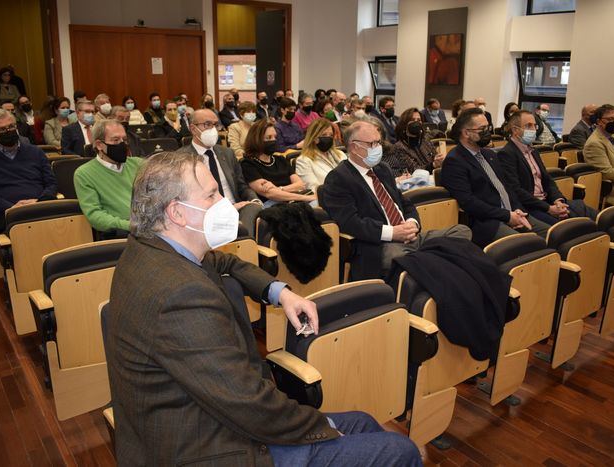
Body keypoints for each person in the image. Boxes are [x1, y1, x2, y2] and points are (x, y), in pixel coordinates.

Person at [105, 149, 422, 466]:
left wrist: (279, 292)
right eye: (211, 195)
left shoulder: (151, 249)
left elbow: (223, 261)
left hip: (204, 414)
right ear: (177, 213)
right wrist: (322, 429)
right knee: (401, 451)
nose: (226, 204)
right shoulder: (179, 294)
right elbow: (248, 404)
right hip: (205, 445)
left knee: (364, 422)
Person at [321, 120, 471, 280]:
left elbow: (405, 203)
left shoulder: (382, 169)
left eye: (379, 142)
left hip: (409, 235)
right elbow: (350, 222)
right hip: (381, 244)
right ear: (354, 147)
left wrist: (413, 223)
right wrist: (392, 233)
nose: (378, 148)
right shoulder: (339, 178)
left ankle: (434, 267)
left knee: (462, 231)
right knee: (404, 258)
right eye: (372, 144)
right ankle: (435, 270)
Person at [440, 108, 550, 246]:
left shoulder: (489, 154)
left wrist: (517, 210)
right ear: (466, 133)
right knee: (525, 245)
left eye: (488, 127)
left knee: (551, 233)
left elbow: (508, 187)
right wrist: (507, 216)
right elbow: (468, 202)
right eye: (483, 128)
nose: (488, 132)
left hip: (513, 213)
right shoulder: (455, 161)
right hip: (488, 222)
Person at [499, 110, 596, 224]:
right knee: (568, 227)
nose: (534, 129)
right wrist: (548, 208)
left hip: (548, 201)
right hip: (531, 206)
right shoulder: (507, 154)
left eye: (534, 125)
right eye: (528, 126)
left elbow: (547, 180)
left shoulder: (533, 150)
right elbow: (516, 190)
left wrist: (558, 201)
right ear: (515, 130)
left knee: (591, 214)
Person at [177, 109, 264, 237]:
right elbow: (186, 198)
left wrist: (254, 199)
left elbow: (242, 186)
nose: (213, 129)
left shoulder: (227, 153)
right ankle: (243, 242)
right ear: (193, 129)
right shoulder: (181, 158)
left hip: (236, 206)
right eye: (207, 124)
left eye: (215, 124)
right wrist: (223, 209)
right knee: (239, 230)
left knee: (254, 208)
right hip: (208, 211)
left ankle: (243, 241)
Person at [0, 109, 57, 238]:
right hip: (6, 212)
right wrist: (11, 207)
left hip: (40, 206)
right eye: (2, 130)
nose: (8, 131)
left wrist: (40, 201)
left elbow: (51, 183)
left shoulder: (35, 152)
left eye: (11, 127)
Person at [74, 120, 144, 238]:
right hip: (122, 234)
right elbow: (95, 215)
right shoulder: (84, 174)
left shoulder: (138, 164)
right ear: (99, 145)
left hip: (151, 227)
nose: (122, 144)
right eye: (115, 140)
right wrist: (131, 225)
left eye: (125, 140)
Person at [241, 119, 317, 206]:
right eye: (269, 137)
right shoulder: (248, 164)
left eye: (275, 137)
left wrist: (279, 189)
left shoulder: (280, 159)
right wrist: (306, 198)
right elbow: (270, 194)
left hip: (294, 199)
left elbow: (300, 185)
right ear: (256, 140)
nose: (273, 140)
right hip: (272, 205)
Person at [384, 108, 444, 178]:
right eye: (412, 120)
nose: (416, 122)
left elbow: (435, 158)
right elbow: (412, 170)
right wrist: (433, 165)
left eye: (419, 120)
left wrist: (439, 160)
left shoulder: (426, 141)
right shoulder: (399, 147)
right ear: (404, 123)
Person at [295, 118, 346, 192]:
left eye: (331, 135)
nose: (328, 137)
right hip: (328, 198)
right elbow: (313, 188)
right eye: (324, 135)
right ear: (314, 137)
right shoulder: (304, 161)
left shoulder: (340, 154)